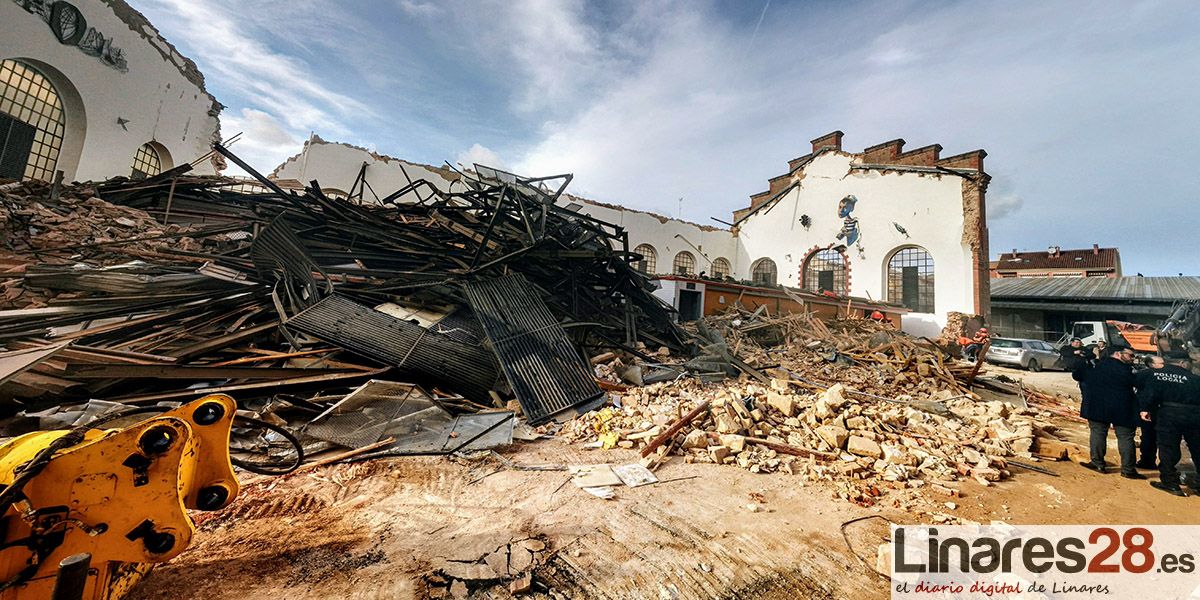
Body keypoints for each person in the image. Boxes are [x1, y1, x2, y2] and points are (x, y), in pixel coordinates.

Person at [1073, 346, 1144, 478]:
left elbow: (1077, 375)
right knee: (1126, 437)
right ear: (1117, 354)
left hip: (1097, 407)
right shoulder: (1127, 370)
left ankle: (1097, 463)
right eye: (1130, 355)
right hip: (1123, 408)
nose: (1132, 358)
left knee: (1097, 433)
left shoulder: (1095, 366)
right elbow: (1139, 384)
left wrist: (1085, 360)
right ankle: (1128, 470)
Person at [1137, 353, 1200, 496]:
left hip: (1170, 413)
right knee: (1197, 449)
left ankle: (1170, 483)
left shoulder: (1158, 375)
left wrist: (1145, 409)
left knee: (1168, 448)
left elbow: (1150, 393)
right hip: (1195, 415)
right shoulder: (1194, 378)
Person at [1134, 355, 1165, 469]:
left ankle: (1157, 463)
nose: (1164, 365)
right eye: (1161, 363)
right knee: (1148, 436)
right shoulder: (1145, 374)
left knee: (1155, 437)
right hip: (1149, 410)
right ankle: (1147, 461)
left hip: (1162, 409)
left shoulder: (1165, 374)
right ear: (1151, 364)